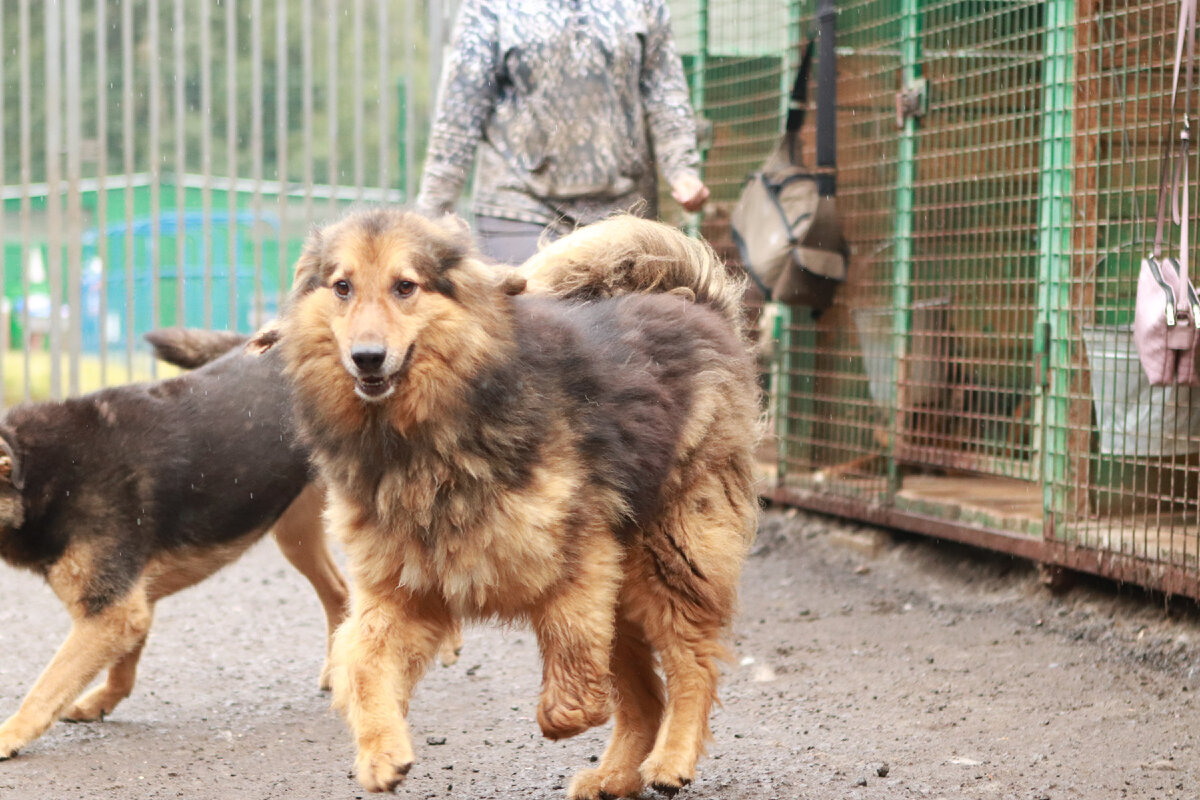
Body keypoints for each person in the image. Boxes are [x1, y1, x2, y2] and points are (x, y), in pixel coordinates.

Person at [414, 0, 711, 264]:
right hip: (519, 203)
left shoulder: (643, 5)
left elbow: (665, 91)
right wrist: (431, 214)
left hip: (623, 207)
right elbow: (460, 111)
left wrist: (683, 170)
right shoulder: (490, 6)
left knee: (619, 323)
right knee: (533, 318)